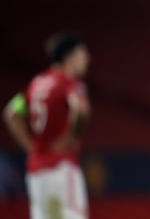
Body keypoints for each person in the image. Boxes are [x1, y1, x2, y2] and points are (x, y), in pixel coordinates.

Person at [3, 32, 91, 219]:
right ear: (69, 57)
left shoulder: (36, 84)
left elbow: (11, 113)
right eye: (82, 53)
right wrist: (71, 137)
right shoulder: (69, 83)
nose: (87, 59)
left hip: (37, 169)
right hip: (62, 165)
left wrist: (29, 146)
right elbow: (81, 109)